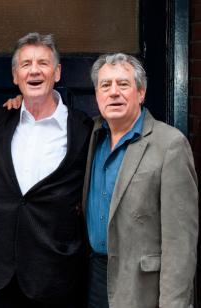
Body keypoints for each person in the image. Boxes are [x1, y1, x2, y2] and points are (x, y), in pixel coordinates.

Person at [0, 32, 92, 307]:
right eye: (25, 64)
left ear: (57, 73)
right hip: (2, 276)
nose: (34, 70)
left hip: (58, 276)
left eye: (43, 63)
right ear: (15, 76)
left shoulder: (83, 129)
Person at [84, 53, 198, 308]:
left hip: (141, 288)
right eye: (105, 85)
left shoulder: (170, 144)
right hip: (93, 279)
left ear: (141, 92)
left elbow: (180, 244)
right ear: (96, 95)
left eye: (123, 84)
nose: (114, 92)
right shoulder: (90, 135)